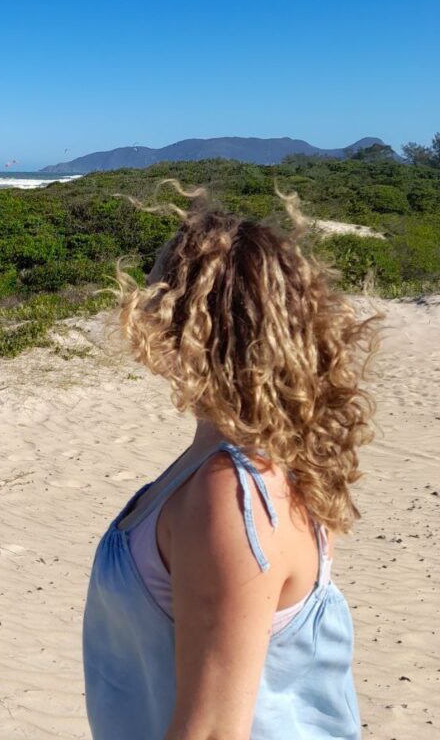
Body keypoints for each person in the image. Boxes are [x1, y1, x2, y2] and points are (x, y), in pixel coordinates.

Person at [82, 185, 380, 740]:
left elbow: (216, 730)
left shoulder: (235, 492)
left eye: (155, 288)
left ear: (187, 319)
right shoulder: (230, 466)